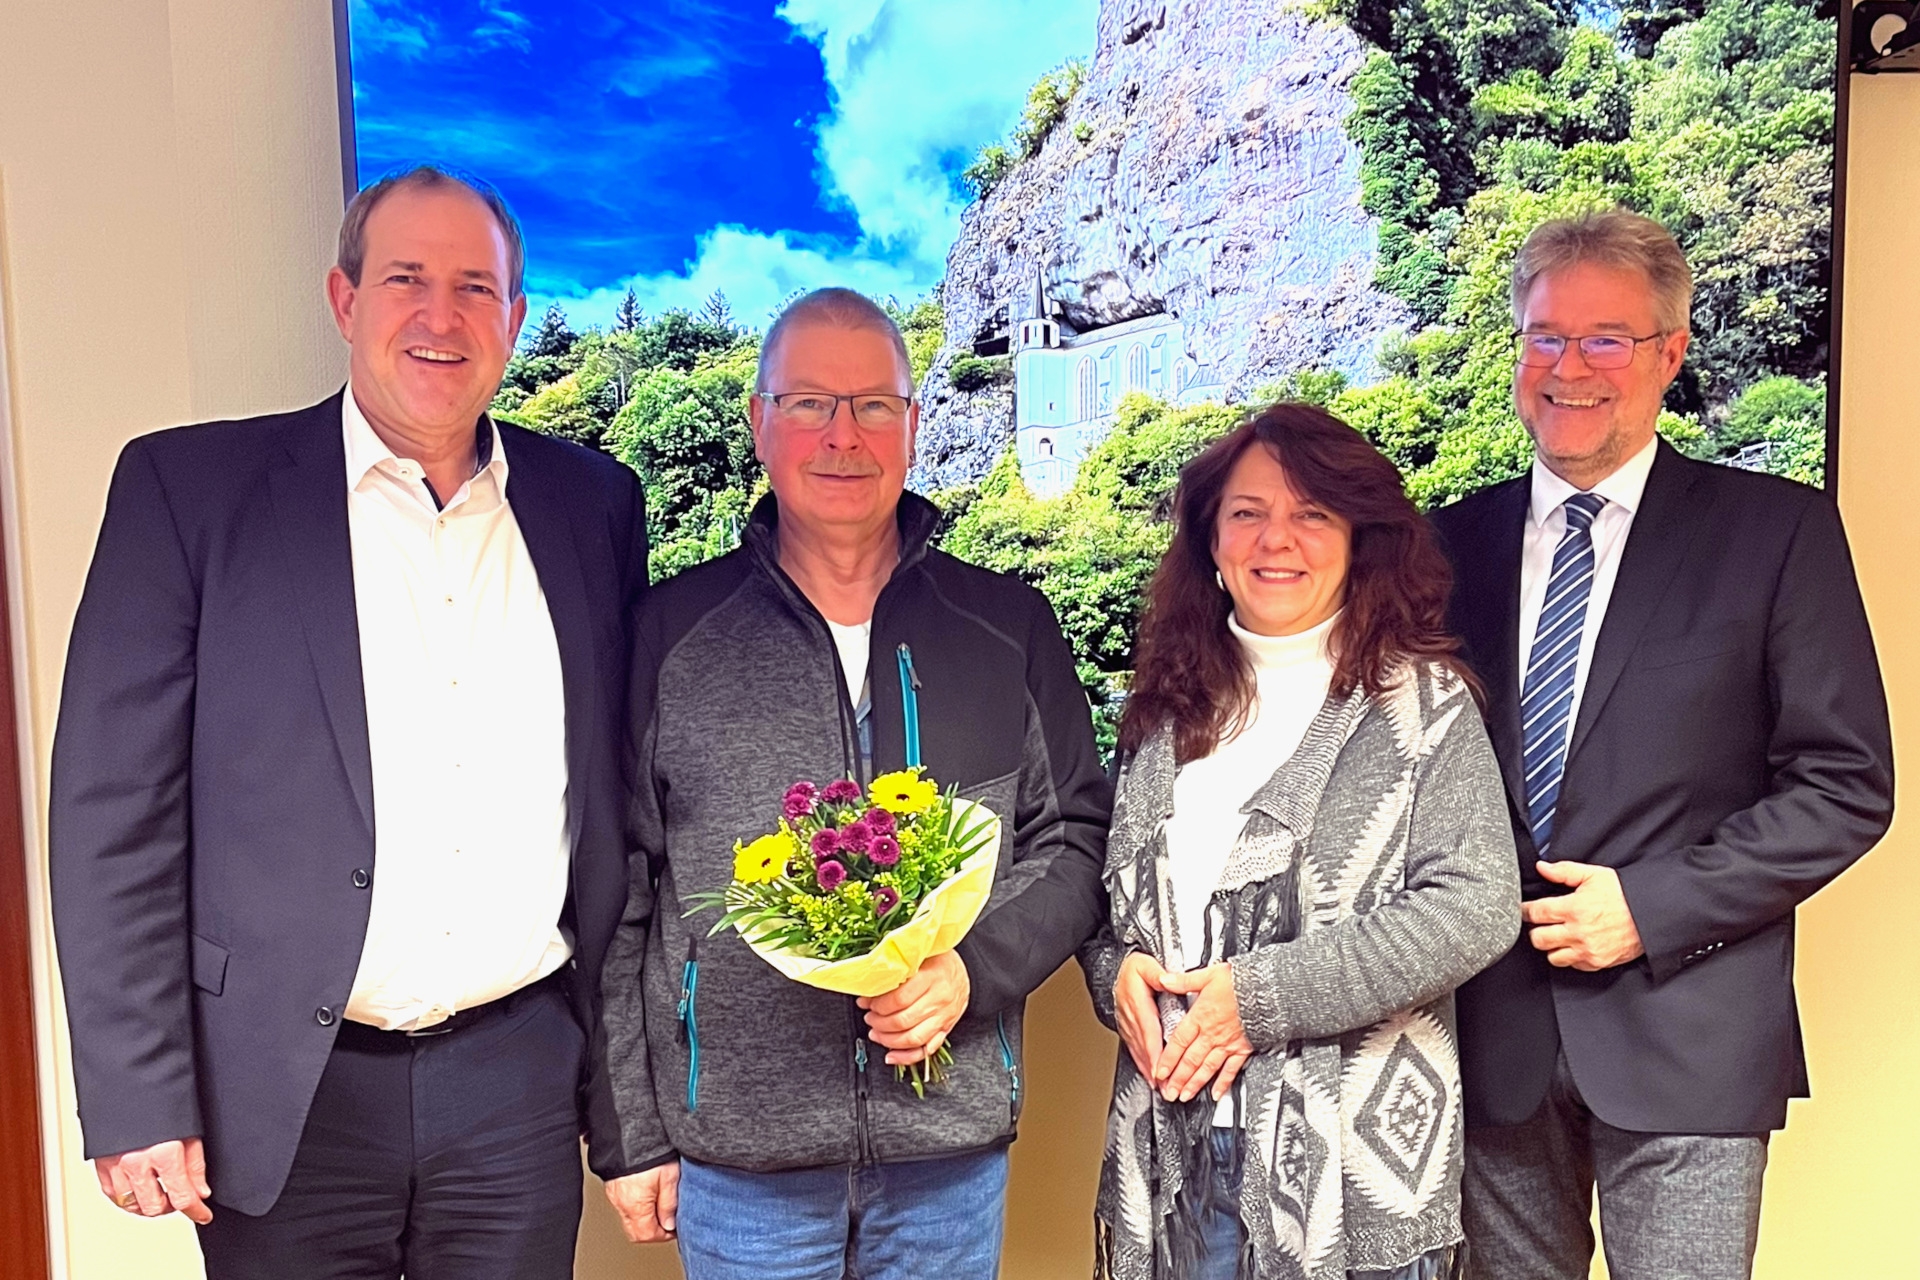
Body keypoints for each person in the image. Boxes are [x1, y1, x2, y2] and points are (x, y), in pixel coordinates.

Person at [49, 165, 648, 1277]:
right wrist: (137, 1092)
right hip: (282, 1087)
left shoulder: (593, 506)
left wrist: (623, 1098)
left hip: (514, 1081)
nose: (441, 315)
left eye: (476, 287)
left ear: (515, 319)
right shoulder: (192, 491)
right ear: (344, 300)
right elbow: (112, 817)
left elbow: (610, 813)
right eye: (407, 279)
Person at [587, 287, 1111, 1279]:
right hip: (742, 1159)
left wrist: (972, 971)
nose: (843, 435)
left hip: (947, 1155)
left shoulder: (1007, 623)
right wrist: (631, 1129)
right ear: (758, 422)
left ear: (914, 426)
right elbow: (623, 889)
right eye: (809, 403)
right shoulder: (668, 635)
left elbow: (1076, 838)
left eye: (873, 405)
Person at [1429, 208, 1894, 1280]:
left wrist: (1649, 907)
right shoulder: (1449, 541)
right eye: (1546, 337)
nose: (1571, 367)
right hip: (1487, 1036)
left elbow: (1846, 784)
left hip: (1690, 1030)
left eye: (1608, 339)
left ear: (1670, 353)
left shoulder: (1778, 531)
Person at [1080, 403, 1520, 1280]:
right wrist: (1111, 974)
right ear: (1211, 540)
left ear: (1360, 538)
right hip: (1172, 1169)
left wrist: (1262, 996)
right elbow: (1113, 912)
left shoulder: (1424, 706)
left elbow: (1476, 906)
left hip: (1356, 1180)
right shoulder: (1163, 713)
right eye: (1247, 512)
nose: (1276, 539)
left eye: (1312, 513)